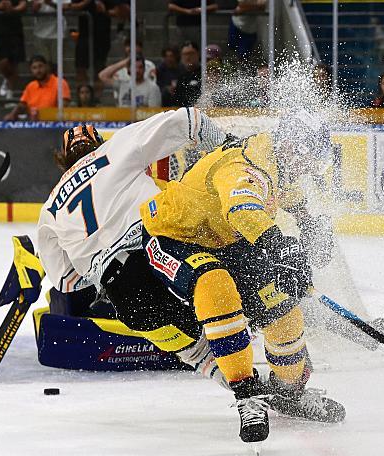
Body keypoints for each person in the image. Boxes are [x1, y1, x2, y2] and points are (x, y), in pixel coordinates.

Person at [139, 109, 347, 442]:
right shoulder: (245, 165)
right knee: (215, 287)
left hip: (228, 238)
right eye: (308, 156)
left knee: (283, 311)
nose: (309, 167)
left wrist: (307, 223)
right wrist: (281, 246)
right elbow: (242, 209)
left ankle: (288, 393)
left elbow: (287, 195)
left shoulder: (278, 160)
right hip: (176, 236)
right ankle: (247, 395)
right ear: (294, 143)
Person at [33, 111, 239, 431]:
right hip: (159, 247)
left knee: (187, 345)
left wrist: (96, 268)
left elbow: (65, 280)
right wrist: (228, 147)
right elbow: (188, 120)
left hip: (123, 293)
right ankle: (265, 341)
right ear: (97, 142)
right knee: (224, 287)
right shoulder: (114, 149)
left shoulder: (50, 208)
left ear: (63, 161)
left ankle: (241, 385)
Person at [4, 55, 71, 121]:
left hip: (54, 124)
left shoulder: (60, 83)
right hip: (35, 126)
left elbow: (64, 107)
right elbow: (22, 105)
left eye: (40, 66)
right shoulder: (31, 86)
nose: (38, 70)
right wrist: (12, 115)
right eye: (34, 68)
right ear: (31, 70)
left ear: (47, 66)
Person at [0, 0, 28, 100]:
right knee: (3, 61)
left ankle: (10, 92)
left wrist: (13, 9)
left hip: (15, 30)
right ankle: (7, 79)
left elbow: (23, 4)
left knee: (14, 62)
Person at [174, 41, 202, 107]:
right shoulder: (180, 76)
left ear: (198, 54)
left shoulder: (204, 74)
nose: (188, 57)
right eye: (185, 54)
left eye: (191, 53)